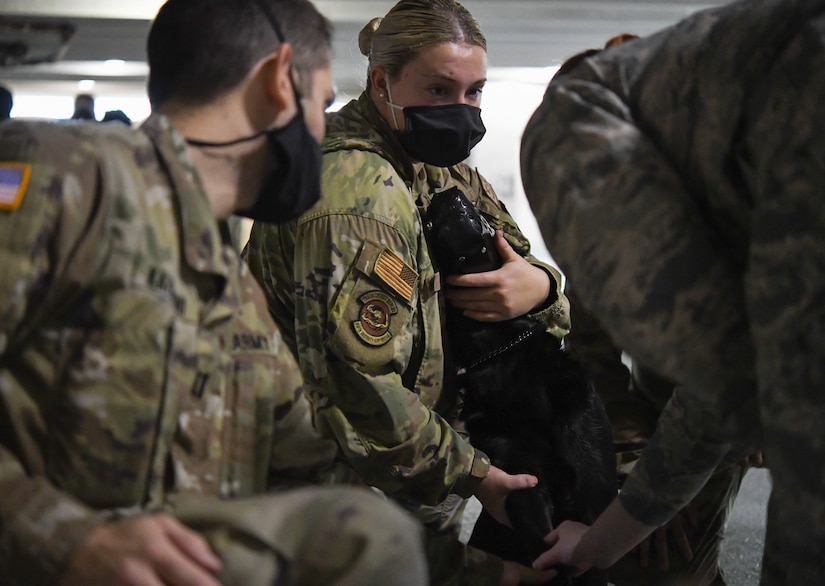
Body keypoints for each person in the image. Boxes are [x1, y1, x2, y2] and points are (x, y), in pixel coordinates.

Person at [0, 1, 429, 585]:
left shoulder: (229, 288)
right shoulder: (66, 177)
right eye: (322, 103)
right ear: (280, 81)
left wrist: (484, 567)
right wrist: (72, 541)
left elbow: (311, 474)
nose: (322, 130)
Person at [244, 1, 569, 584]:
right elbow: (356, 388)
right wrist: (474, 476)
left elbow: (525, 264)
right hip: (338, 490)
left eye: (474, 93)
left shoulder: (434, 166)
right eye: (440, 90)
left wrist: (542, 287)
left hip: (406, 476)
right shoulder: (356, 194)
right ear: (381, 83)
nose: (462, 111)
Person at [520, 0, 825, 584]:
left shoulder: (582, 129)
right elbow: (711, 388)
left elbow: (752, 400)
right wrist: (623, 511)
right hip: (667, 430)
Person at [565, 287, 748, 586]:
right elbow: (596, 370)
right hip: (683, 409)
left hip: (797, 407)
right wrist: (641, 470)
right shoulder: (607, 252)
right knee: (656, 559)